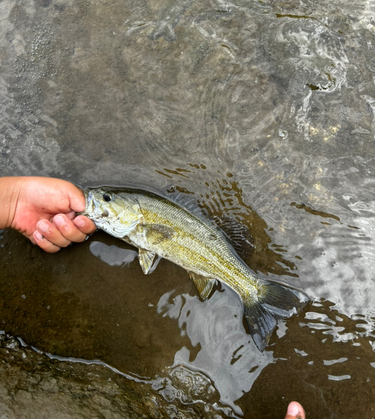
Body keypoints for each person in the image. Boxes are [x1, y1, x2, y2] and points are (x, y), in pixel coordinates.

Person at [0, 176, 306, 419]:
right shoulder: (135, 221)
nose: (98, 199)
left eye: (107, 199)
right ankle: (260, 295)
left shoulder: (142, 221)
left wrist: (14, 200)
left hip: (204, 252)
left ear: (136, 212)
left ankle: (256, 292)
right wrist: (12, 201)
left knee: (236, 279)